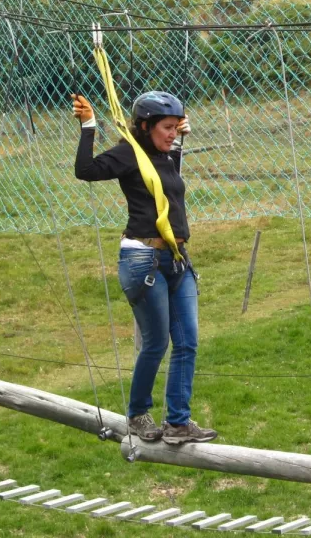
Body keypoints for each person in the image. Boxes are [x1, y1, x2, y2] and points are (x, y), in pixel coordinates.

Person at [73, 90, 218, 445]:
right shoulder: (129, 153)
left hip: (177, 258)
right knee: (156, 343)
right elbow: (85, 171)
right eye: (166, 127)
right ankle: (137, 415)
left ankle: (178, 423)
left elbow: (166, 190)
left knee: (187, 343)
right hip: (143, 259)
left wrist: (179, 142)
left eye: (175, 126)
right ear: (144, 125)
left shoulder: (164, 156)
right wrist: (89, 126)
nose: (172, 133)